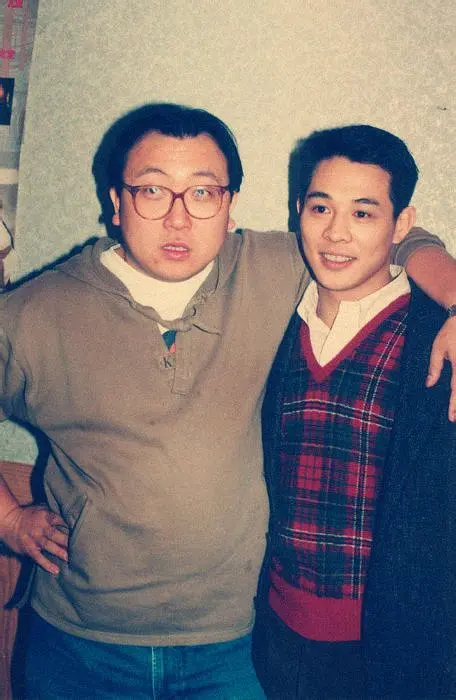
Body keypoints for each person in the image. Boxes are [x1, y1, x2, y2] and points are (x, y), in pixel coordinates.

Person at [0, 104, 454, 699]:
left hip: (236, 645)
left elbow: (397, 234)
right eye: (152, 190)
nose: (178, 217)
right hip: (80, 643)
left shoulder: (280, 267)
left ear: (230, 204)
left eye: (203, 193)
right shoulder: (35, 313)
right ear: (116, 202)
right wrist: (10, 519)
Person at [253, 124, 456, 699]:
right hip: (273, 632)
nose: (336, 233)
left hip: (394, 647)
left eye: (364, 213)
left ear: (402, 223)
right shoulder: (272, 316)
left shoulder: (436, 340)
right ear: (298, 211)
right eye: (321, 208)